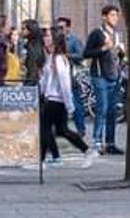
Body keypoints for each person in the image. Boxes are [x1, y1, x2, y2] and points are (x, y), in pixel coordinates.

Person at [40, 29, 96, 167]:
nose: (45, 38)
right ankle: (84, 151)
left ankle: (44, 158)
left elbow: (65, 83)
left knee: (45, 128)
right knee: (61, 130)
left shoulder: (59, 59)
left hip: (55, 99)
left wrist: (69, 103)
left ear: (54, 40)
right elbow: (45, 80)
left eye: (48, 36)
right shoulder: (51, 57)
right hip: (52, 98)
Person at [83, 5, 125, 155]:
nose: (115, 18)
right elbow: (86, 53)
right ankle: (97, 142)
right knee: (102, 109)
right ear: (104, 17)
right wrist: (103, 48)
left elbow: (117, 57)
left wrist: (121, 53)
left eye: (116, 15)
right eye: (112, 15)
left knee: (113, 111)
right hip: (100, 76)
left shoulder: (117, 35)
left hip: (114, 75)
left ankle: (111, 143)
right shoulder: (97, 33)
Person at [56, 17, 89, 134]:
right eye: (58, 27)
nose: (59, 30)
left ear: (68, 28)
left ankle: (81, 129)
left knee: (75, 104)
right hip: (56, 77)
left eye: (62, 27)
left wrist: (66, 56)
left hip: (70, 76)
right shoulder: (55, 40)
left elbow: (81, 55)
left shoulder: (74, 41)